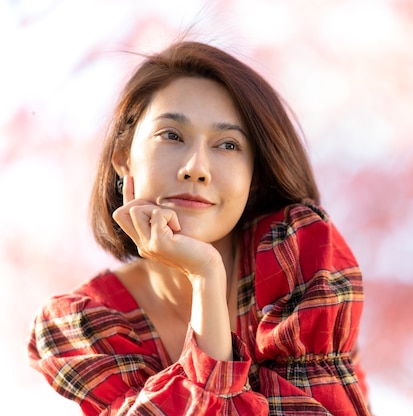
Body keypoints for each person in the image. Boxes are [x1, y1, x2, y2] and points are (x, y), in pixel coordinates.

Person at [27, 41, 370, 415]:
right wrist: (205, 279)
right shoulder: (84, 328)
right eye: (171, 135)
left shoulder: (298, 256)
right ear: (123, 158)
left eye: (227, 145)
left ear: (254, 177)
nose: (196, 167)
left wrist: (205, 274)